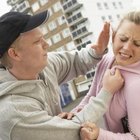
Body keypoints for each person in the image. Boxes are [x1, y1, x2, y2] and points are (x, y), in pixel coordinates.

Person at [0, 10, 124, 140]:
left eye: (43, 38)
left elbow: (76, 61)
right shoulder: (15, 113)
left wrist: (97, 50)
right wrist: (107, 91)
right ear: (14, 54)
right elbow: (74, 131)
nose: (46, 44)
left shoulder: (42, 65)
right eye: (37, 42)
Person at [72, 10, 140, 140]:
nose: (126, 48)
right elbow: (91, 96)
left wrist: (100, 135)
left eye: (138, 44)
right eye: (123, 39)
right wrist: (74, 114)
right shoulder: (106, 60)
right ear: (113, 36)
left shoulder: (137, 86)